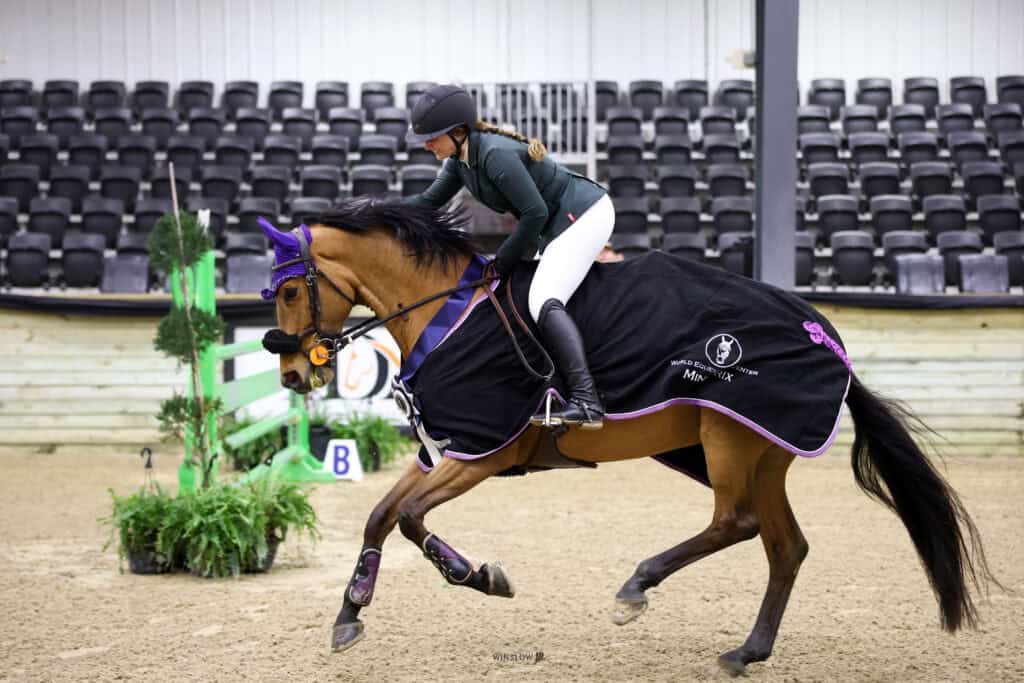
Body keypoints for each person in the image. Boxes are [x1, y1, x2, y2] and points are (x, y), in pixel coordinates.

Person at [403, 84, 615, 430]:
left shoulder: (494, 154)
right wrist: (377, 212)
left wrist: (502, 262)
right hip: (555, 223)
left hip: (585, 214)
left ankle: (587, 400)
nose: (427, 145)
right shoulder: (461, 160)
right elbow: (428, 203)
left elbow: (534, 212)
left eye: (432, 137)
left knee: (544, 298)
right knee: (521, 296)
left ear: (458, 133)